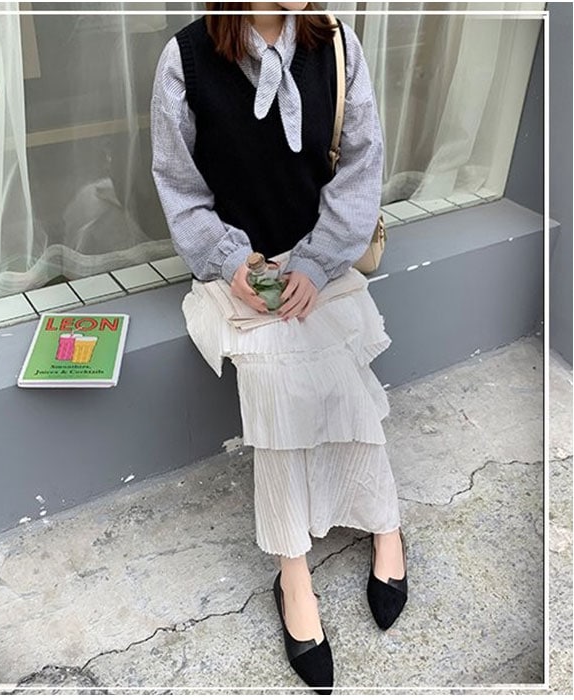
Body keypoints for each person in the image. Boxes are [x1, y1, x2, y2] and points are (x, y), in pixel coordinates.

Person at [150, 2, 407, 693]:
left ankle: (385, 524)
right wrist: (229, 260)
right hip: (240, 269)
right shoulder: (185, 61)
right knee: (273, 389)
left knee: (346, 379)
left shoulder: (337, 44)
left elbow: (361, 167)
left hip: (324, 259)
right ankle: (293, 573)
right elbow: (180, 189)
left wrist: (318, 263)